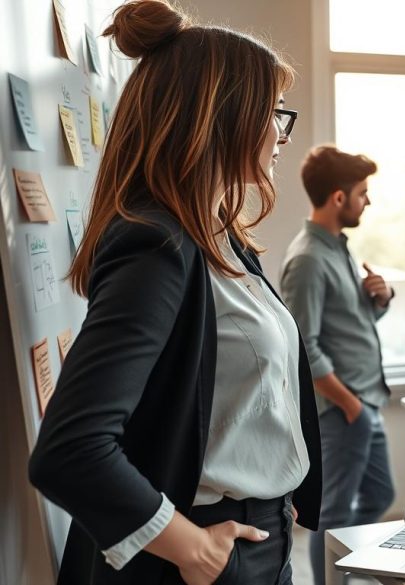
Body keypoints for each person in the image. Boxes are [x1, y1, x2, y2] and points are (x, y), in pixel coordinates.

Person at [28, 2, 319, 584]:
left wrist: (271, 490)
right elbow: (70, 448)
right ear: (222, 117)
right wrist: (191, 547)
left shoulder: (225, 239)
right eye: (272, 112)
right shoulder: (157, 244)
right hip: (197, 556)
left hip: (261, 536)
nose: (280, 131)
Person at [279, 145, 395, 585]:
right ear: (339, 197)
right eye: (363, 193)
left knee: (380, 494)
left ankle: (350, 567)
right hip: (343, 409)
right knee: (332, 513)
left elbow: (350, 324)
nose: (368, 201)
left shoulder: (339, 249)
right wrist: (349, 405)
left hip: (365, 403)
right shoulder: (308, 259)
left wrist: (378, 299)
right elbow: (303, 346)